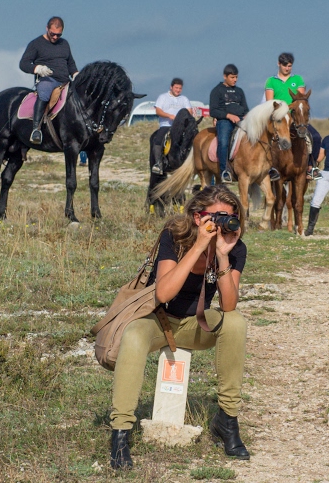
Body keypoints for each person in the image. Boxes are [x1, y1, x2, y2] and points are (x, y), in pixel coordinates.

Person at [110, 184, 250, 469]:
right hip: (158, 321)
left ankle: (227, 421)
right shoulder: (174, 236)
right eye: (217, 217)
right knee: (134, 334)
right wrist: (198, 246)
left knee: (235, 322)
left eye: (230, 217)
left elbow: (229, 305)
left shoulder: (235, 247)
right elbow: (163, 293)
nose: (224, 223)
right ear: (198, 218)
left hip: (195, 325)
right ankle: (120, 433)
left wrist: (222, 255)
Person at [20, 16, 79, 145]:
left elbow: (70, 63)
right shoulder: (36, 44)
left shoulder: (64, 44)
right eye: (53, 34)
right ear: (47, 28)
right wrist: (37, 68)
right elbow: (23, 64)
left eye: (59, 35)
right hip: (48, 80)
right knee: (45, 91)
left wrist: (75, 74)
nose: (55, 37)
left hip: (65, 80)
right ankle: (36, 129)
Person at [265, 52, 322, 180]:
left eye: (289, 66)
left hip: (295, 117)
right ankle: (269, 168)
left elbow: (300, 99)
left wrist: (293, 109)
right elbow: (269, 102)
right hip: (278, 117)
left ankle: (311, 167)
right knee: (265, 139)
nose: (287, 68)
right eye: (285, 65)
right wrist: (283, 110)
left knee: (316, 137)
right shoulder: (271, 81)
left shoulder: (298, 80)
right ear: (279, 64)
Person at [210, 64, 249, 183]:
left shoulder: (239, 91)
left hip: (241, 120)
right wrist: (229, 116)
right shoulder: (217, 91)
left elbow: (245, 108)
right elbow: (213, 111)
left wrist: (246, 116)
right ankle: (224, 171)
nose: (235, 80)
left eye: (236, 77)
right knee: (223, 142)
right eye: (232, 77)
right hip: (224, 121)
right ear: (225, 76)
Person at [152, 78, 192, 175]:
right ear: (171, 87)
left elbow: (189, 111)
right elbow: (158, 111)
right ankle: (158, 163)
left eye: (180, 88)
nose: (178, 90)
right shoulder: (163, 97)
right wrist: (169, 116)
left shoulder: (184, 99)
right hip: (166, 125)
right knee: (158, 140)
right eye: (176, 88)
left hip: (181, 127)